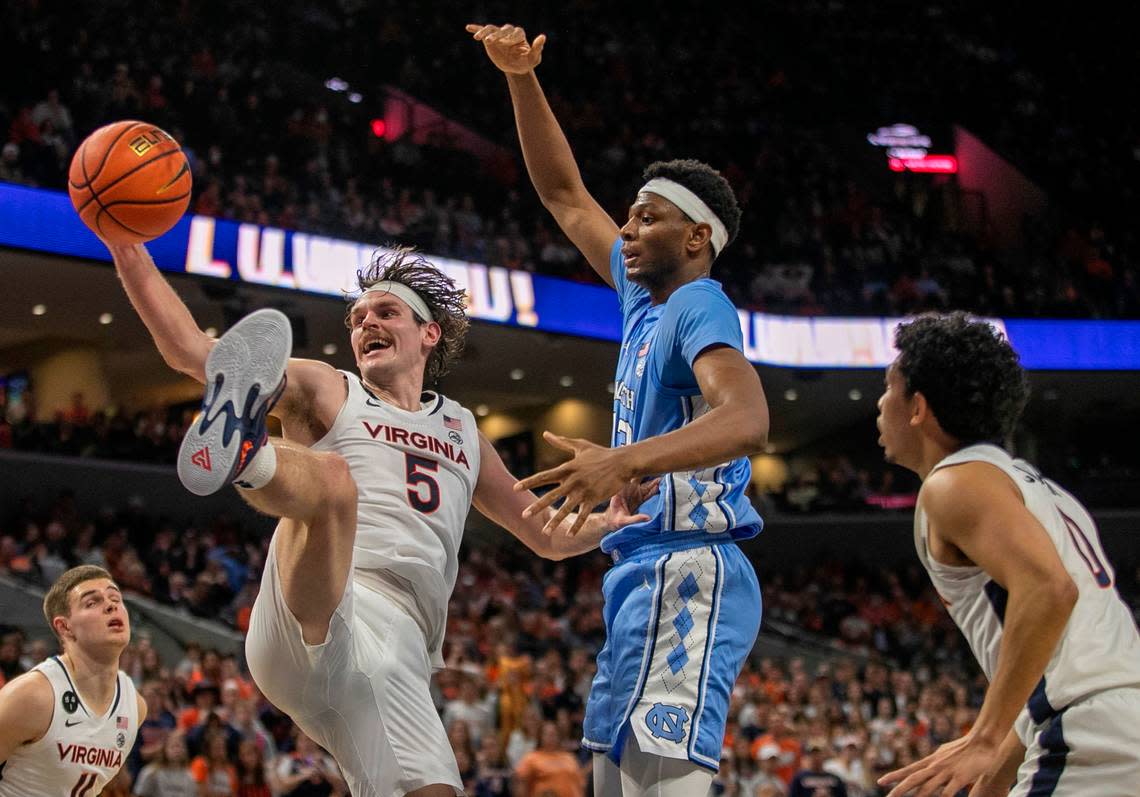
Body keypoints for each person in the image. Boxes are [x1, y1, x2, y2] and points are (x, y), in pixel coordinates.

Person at [104, 241, 655, 797]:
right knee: (336, 481)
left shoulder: (463, 430)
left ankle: (253, 448)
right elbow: (193, 352)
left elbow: (544, 535)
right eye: (357, 318)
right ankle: (250, 451)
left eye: (385, 312)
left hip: (398, 648)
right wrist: (127, 248)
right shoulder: (331, 388)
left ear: (429, 332)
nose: (366, 322)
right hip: (321, 603)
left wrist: (605, 523)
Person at [469, 22, 770, 796]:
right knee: (610, 779)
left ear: (697, 235)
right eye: (630, 217)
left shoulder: (699, 300)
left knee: (658, 783)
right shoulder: (643, 301)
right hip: (637, 570)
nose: (627, 229)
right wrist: (520, 77)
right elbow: (564, 195)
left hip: (687, 564)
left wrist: (621, 459)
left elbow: (746, 419)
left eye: (647, 217)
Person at [874, 312, 1140, 796]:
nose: (879, 403)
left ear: (918, 407)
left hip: (1091, 733)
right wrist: (993, 775)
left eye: (888, 387)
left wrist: (984, 736)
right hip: (1110, 723)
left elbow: (1049, 590)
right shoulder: (1037, 490)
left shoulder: (955, 482)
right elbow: (1050, 672)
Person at [0, 565, 145, 796]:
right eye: (92, 602)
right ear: (65, 626)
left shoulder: (134, 707)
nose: (111, 605)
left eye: (115, 597)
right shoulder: (32, 696)